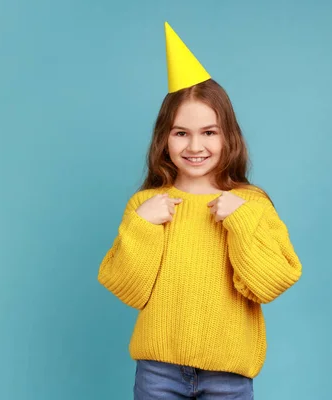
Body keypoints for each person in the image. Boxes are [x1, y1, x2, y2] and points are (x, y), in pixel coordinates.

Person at [98, 22, 302, 399]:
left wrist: (240, 221)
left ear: (229, 137)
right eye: (181, 133)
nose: (195, 145)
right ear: (164, 138)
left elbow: (270, 282)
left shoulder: (251, 205)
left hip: (228, 375)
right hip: (158, 372)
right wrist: (143, 227)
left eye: (209, 132)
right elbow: (128, 289)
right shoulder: (145, 206)